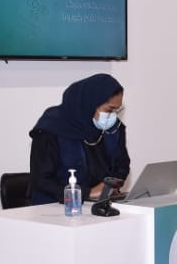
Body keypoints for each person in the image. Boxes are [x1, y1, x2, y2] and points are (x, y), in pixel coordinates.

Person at [28, 73, 129, 205]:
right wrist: (87, 193)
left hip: (98, 204)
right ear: (90, 104)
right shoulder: (50, 129)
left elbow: (122, 165)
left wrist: (111, 187)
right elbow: (42, 180)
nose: (112, 116)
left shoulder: (113, 129)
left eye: (117, 110)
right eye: (109, 110)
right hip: (55, 205)